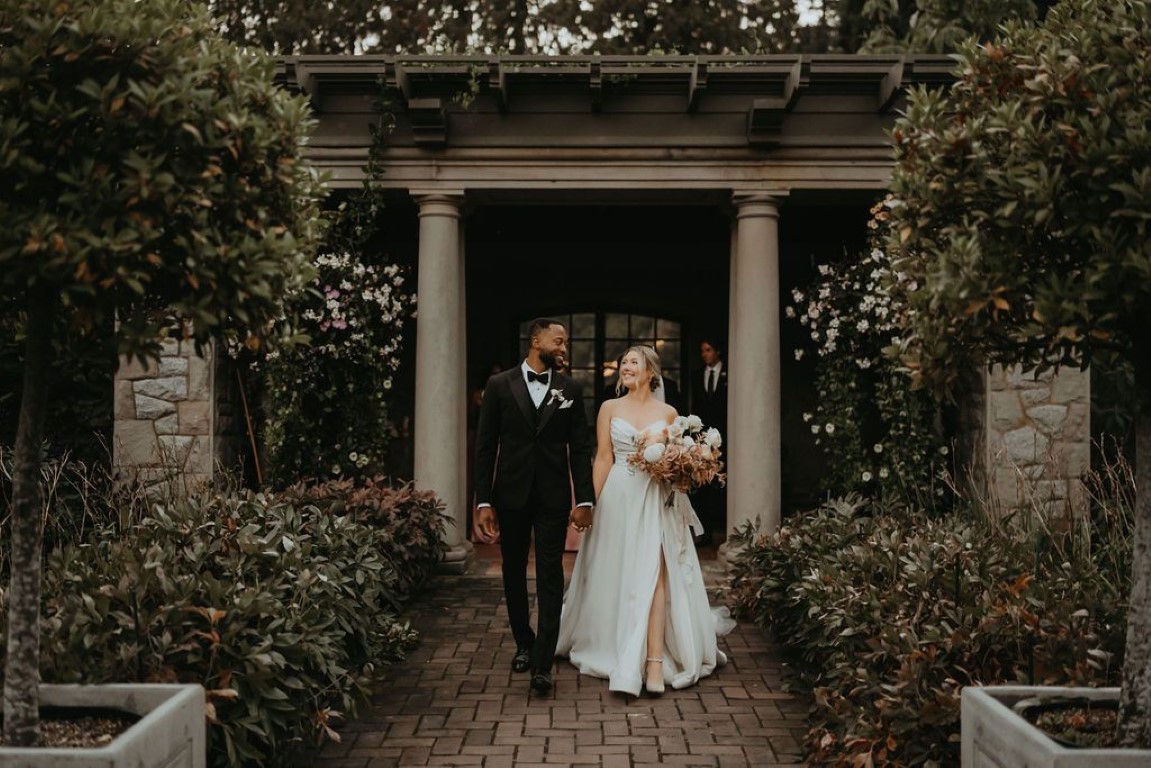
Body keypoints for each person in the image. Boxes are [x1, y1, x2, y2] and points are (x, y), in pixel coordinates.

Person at [557, 345, 729, 697]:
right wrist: (590, 503)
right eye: (623, 363)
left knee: (656, 572)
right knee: (620, 570)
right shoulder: (609, 408)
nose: (625, 367)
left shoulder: (668, 413)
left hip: (655, 500)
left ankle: (652, 662)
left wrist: (684, 468)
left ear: (651, 372)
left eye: (633, 362)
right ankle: (618, 643)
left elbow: (676, 463)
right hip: (618, 497)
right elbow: (603, 457)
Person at [473, 318, 595, 695]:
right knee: (512, 569)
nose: (563, 347)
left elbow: (580, 448)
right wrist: (483, 500)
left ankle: (543, 662)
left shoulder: (570, 389)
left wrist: (585, 498)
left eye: (566, 343)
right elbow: (485, 445)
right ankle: (523, 642)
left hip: (553, 498)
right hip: (509, 494)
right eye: (558, 340)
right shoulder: (498, 385)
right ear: (535, 339)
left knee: (550, 574)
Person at [690, 338, 728, 545]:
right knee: (704, 483)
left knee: (721, 484)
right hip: (704, 439)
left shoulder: (729, 374)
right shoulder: (697, 376)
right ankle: (705, 532)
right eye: (702, 351)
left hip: (727, 437)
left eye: (708, 350)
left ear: (718, 351)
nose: (704, 354)